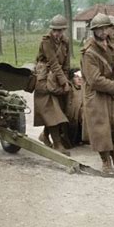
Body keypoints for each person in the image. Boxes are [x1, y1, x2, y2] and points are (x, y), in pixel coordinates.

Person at [81, 13, 114, 172]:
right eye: (99, 29)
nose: (102, 31)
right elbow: (94, 80)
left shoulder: (113, 47)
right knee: (101, 128)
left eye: (105, 28)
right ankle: (105, 160)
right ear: (93, 30)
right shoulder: (89, 52)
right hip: (96, 93)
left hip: (112, 91)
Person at [34, 14, 71, 155]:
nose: (57, 33)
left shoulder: (65, 42)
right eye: (55, 30)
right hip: (44, 80)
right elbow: (54, 63)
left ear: (64, 30)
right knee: (52, 110)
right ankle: (57, 144)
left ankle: (44, 135)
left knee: (58, 110)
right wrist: (63, 81)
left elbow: (66, 64)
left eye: (60, 30)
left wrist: (66, 80)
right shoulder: (46, 42)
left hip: (58, 78)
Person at [39, 68, 84, 148]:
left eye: (81, 77)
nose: (79, 79)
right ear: (71, 78)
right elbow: (53, 89)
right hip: (67, 119)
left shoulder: (85, 90)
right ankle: (45, 134)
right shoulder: (68, 89)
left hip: (77, 120)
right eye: (76, 77)